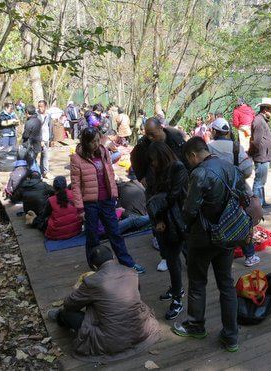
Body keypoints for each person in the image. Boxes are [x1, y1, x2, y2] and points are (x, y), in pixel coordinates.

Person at [171, 137, 248, 352]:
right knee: (226, 283)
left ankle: (196, 325)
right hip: (228, 234)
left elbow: (190, 210)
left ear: (192, 155)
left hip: (203, 237)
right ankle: (231, 336)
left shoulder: (199, 173)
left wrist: (185, 226)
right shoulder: (230, 167)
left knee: (197, 282)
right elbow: (244, 195)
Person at [47, 245, 161, 363]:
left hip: (109, 340)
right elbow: (138, 291)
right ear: (113, 257)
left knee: (67, 312)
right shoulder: (131, 272)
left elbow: (70, 304)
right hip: (140, 332)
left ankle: (59, 317)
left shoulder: (91, 281)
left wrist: (77, 290)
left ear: (95, 266)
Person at [70, 127, 145, 273]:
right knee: (92, 236)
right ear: (85, 143)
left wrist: (114, 194)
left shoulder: (103, 152)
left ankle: (127, 262)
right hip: (90, 203)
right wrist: (80, 209)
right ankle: (95, 266)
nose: (97, 144)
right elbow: (76, 185)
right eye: (93, 142)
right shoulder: (77, 159)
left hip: (107, 200)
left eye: (98, 140)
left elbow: (110, 173)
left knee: (115, 232)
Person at [207, 117, 259, 267]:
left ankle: (217, 252)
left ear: (215, 131)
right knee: (241, 220)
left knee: (217, 220)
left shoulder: (209, 147)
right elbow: (248, 169)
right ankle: (250, 255)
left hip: (216, 192)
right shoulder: (237, 147)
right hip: (237, 191)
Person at [145, 142, 188, 320]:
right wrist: (158, 220)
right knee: (169, 257)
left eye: (154, 160)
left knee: (172, 257)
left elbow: (173, 196)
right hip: (162, 220)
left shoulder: (178, 168)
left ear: (162, 157)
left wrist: (160, 217)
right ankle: (176, 288)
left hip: (176, 221)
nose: (152, 164)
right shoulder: (157, 170)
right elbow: (151, 192)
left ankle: (178, 299)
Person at [130, 117, 186, 182]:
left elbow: (186, 158)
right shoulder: (143, 144)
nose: (150, 137)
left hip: (174, 180)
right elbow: (134, 157)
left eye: (152, 134)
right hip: (154, 182)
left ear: (161, 128)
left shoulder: (176, 140)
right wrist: (141, 177)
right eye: (147, 134)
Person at [36, 176, 83, 240]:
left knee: (43, 220)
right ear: (66, 185)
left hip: (56, 234)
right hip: (76, 230)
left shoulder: (51, 200)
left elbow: (44, 215)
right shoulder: (74, 194)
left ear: (54, 187)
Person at [249, 97, 271, 208]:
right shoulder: (259, 121)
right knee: (259, 182)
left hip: (264, 156)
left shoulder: (262, 120)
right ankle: (255, 205)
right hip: (261, 156)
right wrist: (252, 153)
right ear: (265, 110)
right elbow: (256, 141)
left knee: (261, 182)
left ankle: (261, 201)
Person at [37, 100, 53, 179]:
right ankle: (44, 172)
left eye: (42, 106)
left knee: (44, 156)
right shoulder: (36, 115)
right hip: (39, 139)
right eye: (39, 106)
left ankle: (43, 172)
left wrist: (51, 137)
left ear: (45, 107)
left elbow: (50, 126)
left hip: (47, 138)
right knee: (42, 155)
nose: (40, 108)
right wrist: (40, 140)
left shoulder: (48, 115)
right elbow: (36, 129)